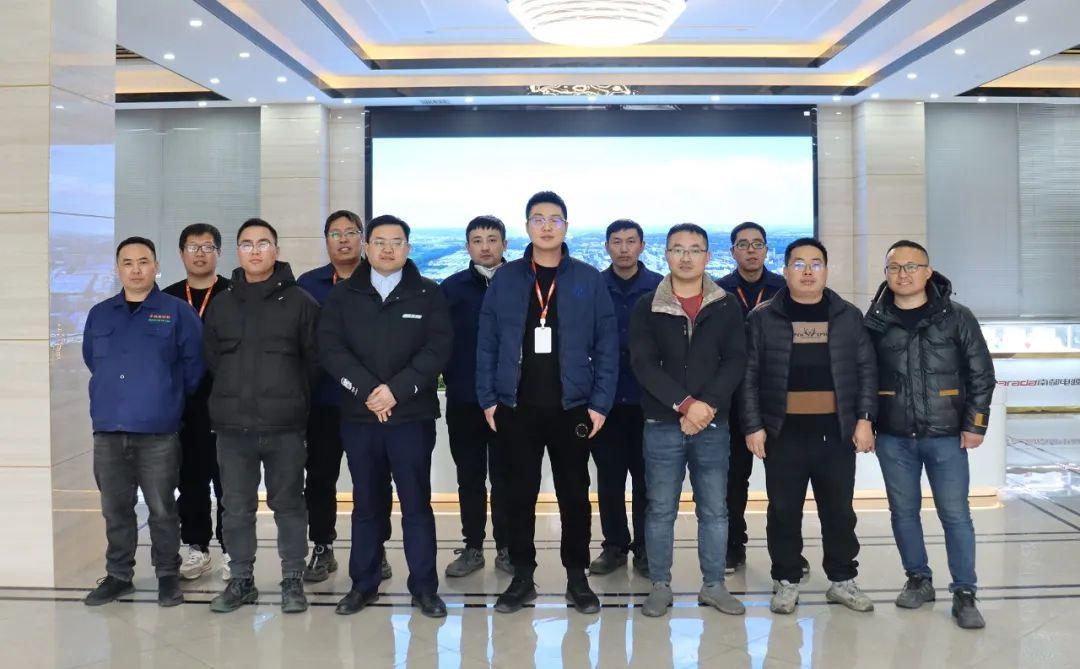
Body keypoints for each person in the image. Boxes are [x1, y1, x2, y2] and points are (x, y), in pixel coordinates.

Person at [476, 191, 618, 614]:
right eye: (538, 219)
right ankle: (523, 576)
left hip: (573, 408)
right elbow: (487, 343)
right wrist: (488, 399)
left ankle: (577, 577)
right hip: (515, 407)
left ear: (566, 227)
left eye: (555, 219)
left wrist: (600, 404)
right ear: (527, 227)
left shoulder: (587, 278)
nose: (546, 226)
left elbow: (607, 345)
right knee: (518, 495)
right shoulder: (507, 278)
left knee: (574, 495)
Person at [319, 215, 452, 618]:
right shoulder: (343, 295)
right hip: (360, 418)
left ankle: (424, 588)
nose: (388, 249)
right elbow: (331, 349)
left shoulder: (428, 293)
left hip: (411, 417)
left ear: (408, 248)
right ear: (367, 247)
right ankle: (363, 584)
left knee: (416, 504)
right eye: (380, 241)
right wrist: (367, 391)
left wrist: (396, 390)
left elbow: (437, 350)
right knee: (366, 504)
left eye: (397, 242)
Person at [742, 238, 877, 615]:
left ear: (826, 271)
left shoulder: (847, 316)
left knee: (839, 511)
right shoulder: (763, 318)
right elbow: (748, 377)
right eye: (798, 264)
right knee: (783, 511)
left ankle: (842, 579)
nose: (807, 271)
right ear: (785, 271)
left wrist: (865, 419)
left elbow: (866, 370)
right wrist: (753, 425)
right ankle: (786, 580)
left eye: (815, 264)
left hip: (836, 433)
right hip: (783, 433)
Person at [865, 240, 995, 629]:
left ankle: (965, 592)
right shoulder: (874, 321)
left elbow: (981, 373)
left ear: (927, 271)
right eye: (894, 268)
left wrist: (975, 424)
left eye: (911, 266)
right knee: (903, 512)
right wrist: (865, 421)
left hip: (946, 435)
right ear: (886, 274)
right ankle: (918, 578)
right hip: (893, 436)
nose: (903, 274)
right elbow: (863, 377)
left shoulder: (957, 317)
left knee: (955, 515)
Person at [202, 219, 320, 614]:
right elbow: (213, 361)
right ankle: (241, 581)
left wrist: (290, 399)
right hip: (233, 429)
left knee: (289, 506)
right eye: (247, 244)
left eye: (263, 243)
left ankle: (292, 580)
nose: (255, 251)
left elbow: (314, 363)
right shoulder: (221, 304)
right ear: (237, 251)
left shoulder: (302, 303)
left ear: (276, 250)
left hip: (284, 427)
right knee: (236, 508)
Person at [629, 223, 747, 618]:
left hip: (712, 423)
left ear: (707, 257)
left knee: (714, 509)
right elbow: (643, 364)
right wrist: (684, 404)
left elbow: (735, 361)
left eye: (695, 249)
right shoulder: (647, 305)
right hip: (662, 422)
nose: (686, 257)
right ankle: (660, 585)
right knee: (660, 508)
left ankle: (713, 585)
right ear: (665, 254)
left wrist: (705, 406)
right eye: (677, 249)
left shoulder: (726, 305)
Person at [81, 237, 204, 607]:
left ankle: (167, 575)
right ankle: (119, 576)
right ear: (118, 268)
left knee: (162, 508)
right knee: (115, 509)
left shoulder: (177, 312)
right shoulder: (100, 314)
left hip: (158, 431)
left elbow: (194, 367)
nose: (136, 269)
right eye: (128, 262)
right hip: (108, 429)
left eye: (144, 261)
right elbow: (92, 359)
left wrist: (164, 398)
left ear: (156, 266)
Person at [297, 210, 393, 584]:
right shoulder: (309, 284)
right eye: (335, 234)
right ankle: (322, 546)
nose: (343, 240)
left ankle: (376, 548)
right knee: (320, 477)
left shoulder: (382, 279)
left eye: (351, 232)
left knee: (373, 478)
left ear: (362, 240)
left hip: (370, 403)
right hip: (323, 401)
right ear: (326, 240)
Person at [715, 222, 789, 574]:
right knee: (733, 480)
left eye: (757, 244)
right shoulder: (719, 291)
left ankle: (787, 550)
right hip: (731, 397)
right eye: (743, 244)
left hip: (774, 395)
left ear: (766, 250)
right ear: (733, 251)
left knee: (784, 480)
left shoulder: (783, 290)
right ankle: (734, 546)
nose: (751, 250)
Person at [441, 215, 513, 577]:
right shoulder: (451, 289)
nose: (485, 247)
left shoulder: (521, 283)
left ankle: (507, 548)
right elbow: (438, 342)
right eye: (477, 240)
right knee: (469, 477)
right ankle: (472, 547)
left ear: (505, 244)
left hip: (511, 402)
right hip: (465, 400)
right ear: (467, 246)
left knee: (506, 478)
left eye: (492, 239)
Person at [589, 219, 662, 578]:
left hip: (649, 401)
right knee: (610, 479)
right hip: (604, 403)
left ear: (641, 246)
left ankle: (646, 548)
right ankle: (615, 545)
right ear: (607, 247)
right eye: (616, 242)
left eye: (630, 241)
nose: (623, 248)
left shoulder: (660, 287)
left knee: (647, 479)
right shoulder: (594, 286)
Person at [163, 224, 232, 581]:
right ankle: (196, 546)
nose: (200, 253)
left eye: (208, 247)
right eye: (193, 247)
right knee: (190, 478)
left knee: (229, 480)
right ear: (181, 253)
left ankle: (233, 549)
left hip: (228, 402)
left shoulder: (235, 294)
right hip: (183, 404)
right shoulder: (167, 298)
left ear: (219, 252)